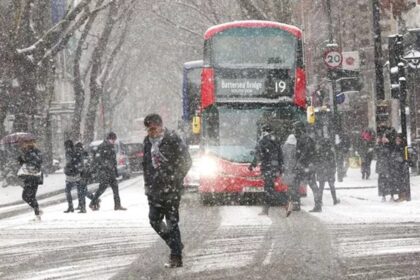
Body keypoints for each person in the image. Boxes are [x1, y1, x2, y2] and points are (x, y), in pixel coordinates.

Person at [142, 113, 192, 268]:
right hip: (154, 190)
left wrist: (175, 178)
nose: (151, 132)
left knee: (172, 222)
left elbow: (187, 161)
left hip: (171, 189)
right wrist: (147, 185)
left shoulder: (172, 139)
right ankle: (176, 245)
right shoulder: (147, 142)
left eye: (153, 129)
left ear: (160, 126)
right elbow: (146, 164)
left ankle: (176, 258)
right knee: (154, 220)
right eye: (148, 130)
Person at [249, 124, 288, 216]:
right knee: (269, 189)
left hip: (267, 167)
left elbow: (258, 155)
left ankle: (286, 203)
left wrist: (252, 165)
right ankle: (265, 210)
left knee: (269, 190)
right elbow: (281, 156)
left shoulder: (263, 141)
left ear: (264, 131)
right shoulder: (276, 141)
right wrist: (281, 167)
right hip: (275, 168)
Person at [89, 132, 127, 211]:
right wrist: (107, 166)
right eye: (113, 140)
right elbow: (99, 159)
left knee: (115, 187)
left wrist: (114, 171)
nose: (114, 141)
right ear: (110, 139)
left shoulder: (110, 146)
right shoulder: (103, 146)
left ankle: (117, 205)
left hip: (110, 171)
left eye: (114, 140)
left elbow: (113, 160)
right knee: (102, 188)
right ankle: (93, 202)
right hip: (104, 171)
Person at [292, 121, 322, 212]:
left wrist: (299, 162)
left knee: (297, 184)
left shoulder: (304, 139)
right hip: (308, 165)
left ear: (299, 129)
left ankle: (298, 204)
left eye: (295, 129)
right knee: (312, 185)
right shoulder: (306, 138)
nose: (294, 131)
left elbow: (305, 153)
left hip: (305, 165)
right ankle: (317, 205)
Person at [17, 139, 43, 221]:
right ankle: (37, 213)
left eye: (24, 143)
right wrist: (21, 160)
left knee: (26, 196)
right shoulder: (30, 152)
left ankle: (37, 212)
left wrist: (25, 159)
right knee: (30, 196)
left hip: (32, 177)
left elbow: (36, 163)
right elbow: (27, 164)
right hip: (31, 177)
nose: (23, 145)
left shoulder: (33, 152)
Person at [316, 138, 340, 205]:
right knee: (331, 185)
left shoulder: (319, 151)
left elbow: (317, 161)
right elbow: (333, 162)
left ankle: (320, 201)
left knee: (321, 186)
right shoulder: (330, 152)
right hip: (329, 170)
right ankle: (334, 200)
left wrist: (318, 169)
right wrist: (333, 169)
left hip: (321, 170)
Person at [74, 142, 95, 213]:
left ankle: (83, 207)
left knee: (81, 191)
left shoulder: (80, 154)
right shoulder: (83, 153)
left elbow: (83, 165)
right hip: (83, 175)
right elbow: (87, 164)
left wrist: (79, 169)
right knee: (82, 191)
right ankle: (82, 205)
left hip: (82, 175)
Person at [375, 128, 394, 201]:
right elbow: (377, 153)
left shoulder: (389, 145)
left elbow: (390, 152)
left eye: (385, 137)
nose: (383, 138)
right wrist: (377, 144)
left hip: (388, 165)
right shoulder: (379, 145)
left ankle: (391, 195)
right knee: (382, 181)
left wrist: (388, 143)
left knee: (390, 180)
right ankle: (383, 195)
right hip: (381, 166)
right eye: (382, 137)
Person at [281, 133, 298, 217]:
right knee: (293, 186)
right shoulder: (296, 147)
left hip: (286, 169)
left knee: (286, 186)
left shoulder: (284, 146)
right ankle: (293, 202)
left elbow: (282, 156)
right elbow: (296, 158)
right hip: (293, 169)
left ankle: (288, 201)